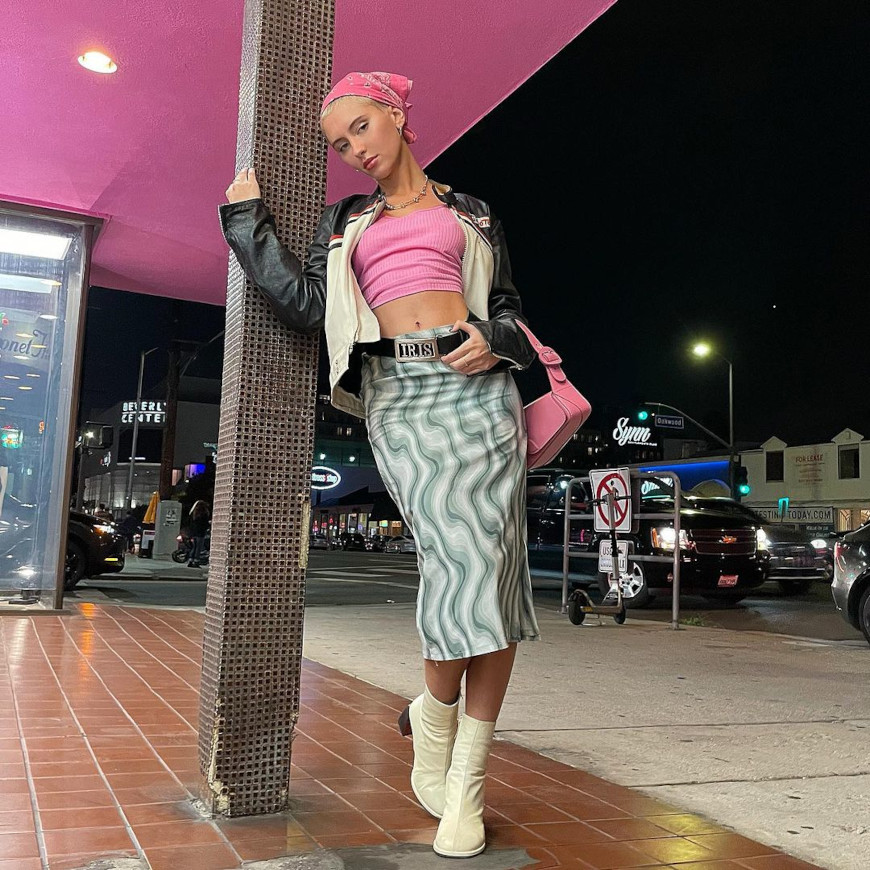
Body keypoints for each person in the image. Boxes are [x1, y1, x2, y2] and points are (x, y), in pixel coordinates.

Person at [220, 71, 539, 859]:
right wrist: (246, 223)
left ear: (395, 115)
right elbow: (307, 304)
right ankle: (432, 715)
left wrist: (495, 340)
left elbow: (509, 309)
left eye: (361, 127)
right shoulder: (346, 221)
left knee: (492, 568)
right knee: (460, 563)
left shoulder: (472, 211)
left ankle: (464, 778)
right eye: (340, 143)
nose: (354, 150)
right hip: (400, 396)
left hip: (480, 393)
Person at [187, 500, 210, 568]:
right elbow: (205, 524)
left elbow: (190, 523)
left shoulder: (194, 514)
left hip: (193, 533)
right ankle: (196, 561)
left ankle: (190, 560)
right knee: (198, 548)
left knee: (194, 547)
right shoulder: (203, 514)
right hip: (200, 533)